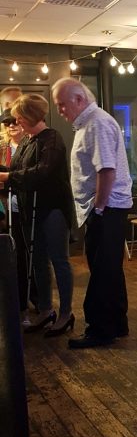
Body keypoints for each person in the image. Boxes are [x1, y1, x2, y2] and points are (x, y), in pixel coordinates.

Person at [51, 78, 132, 349]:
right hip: (107, 208)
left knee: (101, 271)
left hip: (105, 208)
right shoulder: (90, 123)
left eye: (62, 104)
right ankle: (117, 324)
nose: (61, 110)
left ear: (79, 99)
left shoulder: (96, 123)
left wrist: (98, 208)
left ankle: (100, 330)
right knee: (109, 269)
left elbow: (106, 170)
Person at [0, 95, 74, 335]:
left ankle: (65, 313)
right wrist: (7, 174)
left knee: (59, 261)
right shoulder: (27, 141)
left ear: (31, 115)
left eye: (20, 116)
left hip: (52, 209)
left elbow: (42, 172)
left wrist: (8, 177)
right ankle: (45, 309)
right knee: (39, 262)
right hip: (31, 209)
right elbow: (16, 170)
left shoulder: (52, 138)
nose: (16, 120)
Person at [0, 108, 39, 321]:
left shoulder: (30, 145)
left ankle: (33, 297)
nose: (11, 126)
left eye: (15, 122)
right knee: (12, 254)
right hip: (7, 206)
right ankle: (14, 297)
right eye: (7, 124)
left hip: (25, 205)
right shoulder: (2, 148)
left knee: (29, 255)